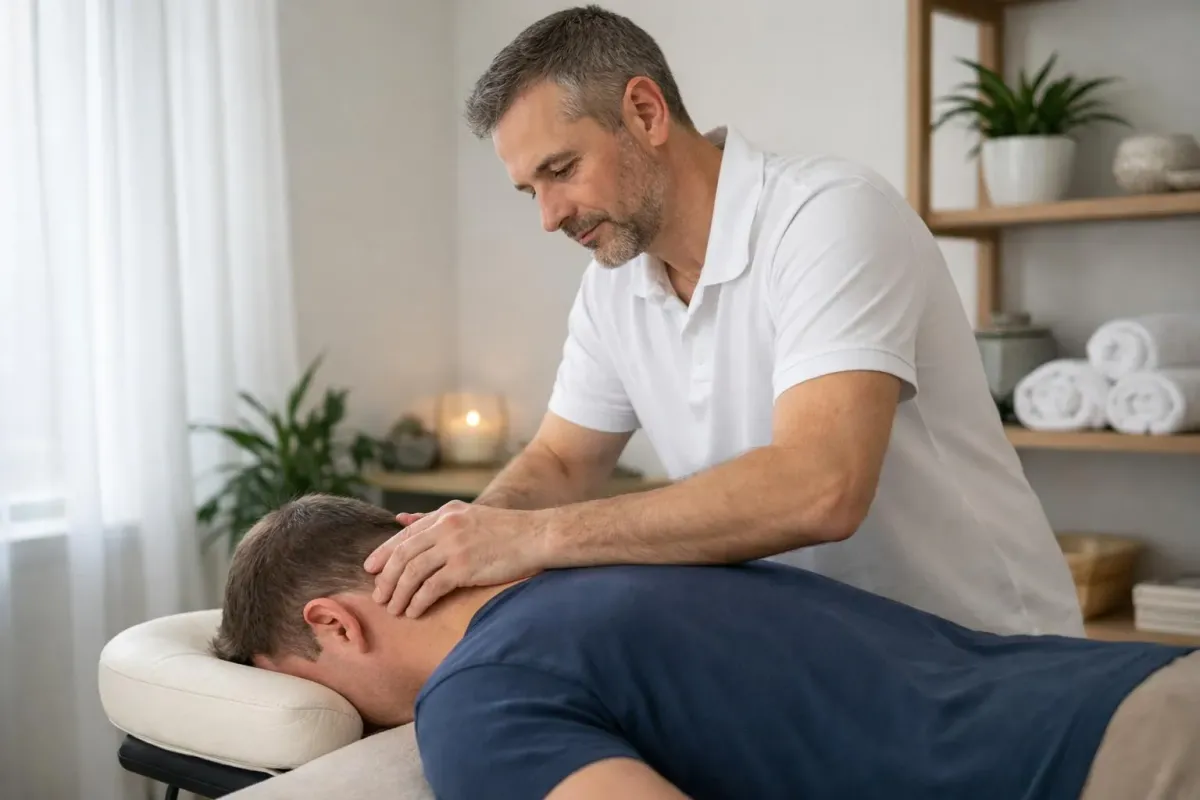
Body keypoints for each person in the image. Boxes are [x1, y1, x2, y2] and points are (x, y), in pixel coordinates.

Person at [362, 5, 1082, 638]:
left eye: (562, 169)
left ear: (646, 113)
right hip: (826, 668)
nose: (549, 217)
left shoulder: (826, 216)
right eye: (530, 191)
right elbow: (561, 462)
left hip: (988, 650)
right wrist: (470, 535)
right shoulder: (612, 289)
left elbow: (821, 486)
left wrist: (534, 537)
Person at [215, 495, 1200, 800]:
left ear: (335, 624)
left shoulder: (475, 701)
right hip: (1142, 685)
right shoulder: (623, 554)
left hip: (1108, 772)